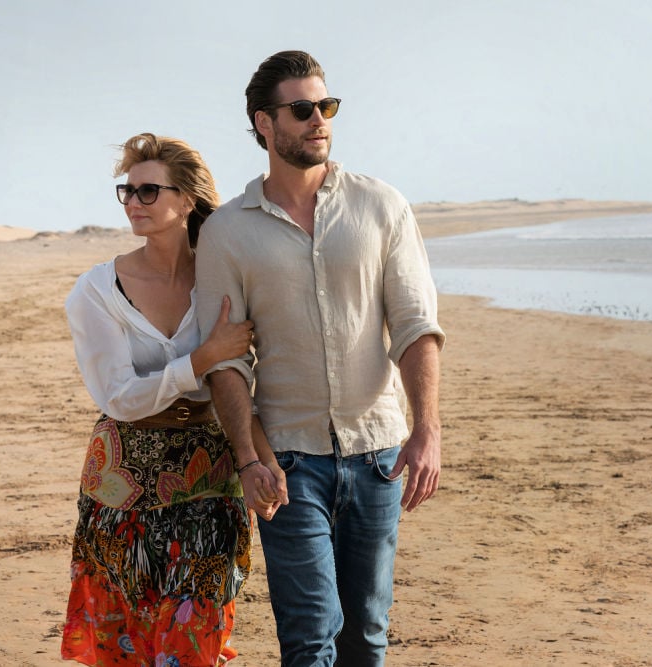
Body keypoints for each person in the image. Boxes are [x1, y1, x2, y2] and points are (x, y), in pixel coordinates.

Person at [195, 51, 446, 666]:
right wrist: (250, 458)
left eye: (326, 106)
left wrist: (427, 430)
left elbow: (415, 325)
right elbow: (227, 362)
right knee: (309, 637)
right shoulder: (228, 232)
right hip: (288, 461)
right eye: (302, 109)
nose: (319, 120)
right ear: (264, 124)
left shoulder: (381, 206)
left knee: (366, 632)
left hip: (378, 452)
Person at [61, 132, 264, 666]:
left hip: (209, 476)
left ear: (186, 201)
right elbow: (120, 397)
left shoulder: (221, 279)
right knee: (127, 646)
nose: (133, 202)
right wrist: (199, 360)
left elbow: (250, 372)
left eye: (149, 191)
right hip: (122, 484)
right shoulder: (96, 291)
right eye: (127, 191)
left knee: (194, 638)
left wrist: (260, 458)